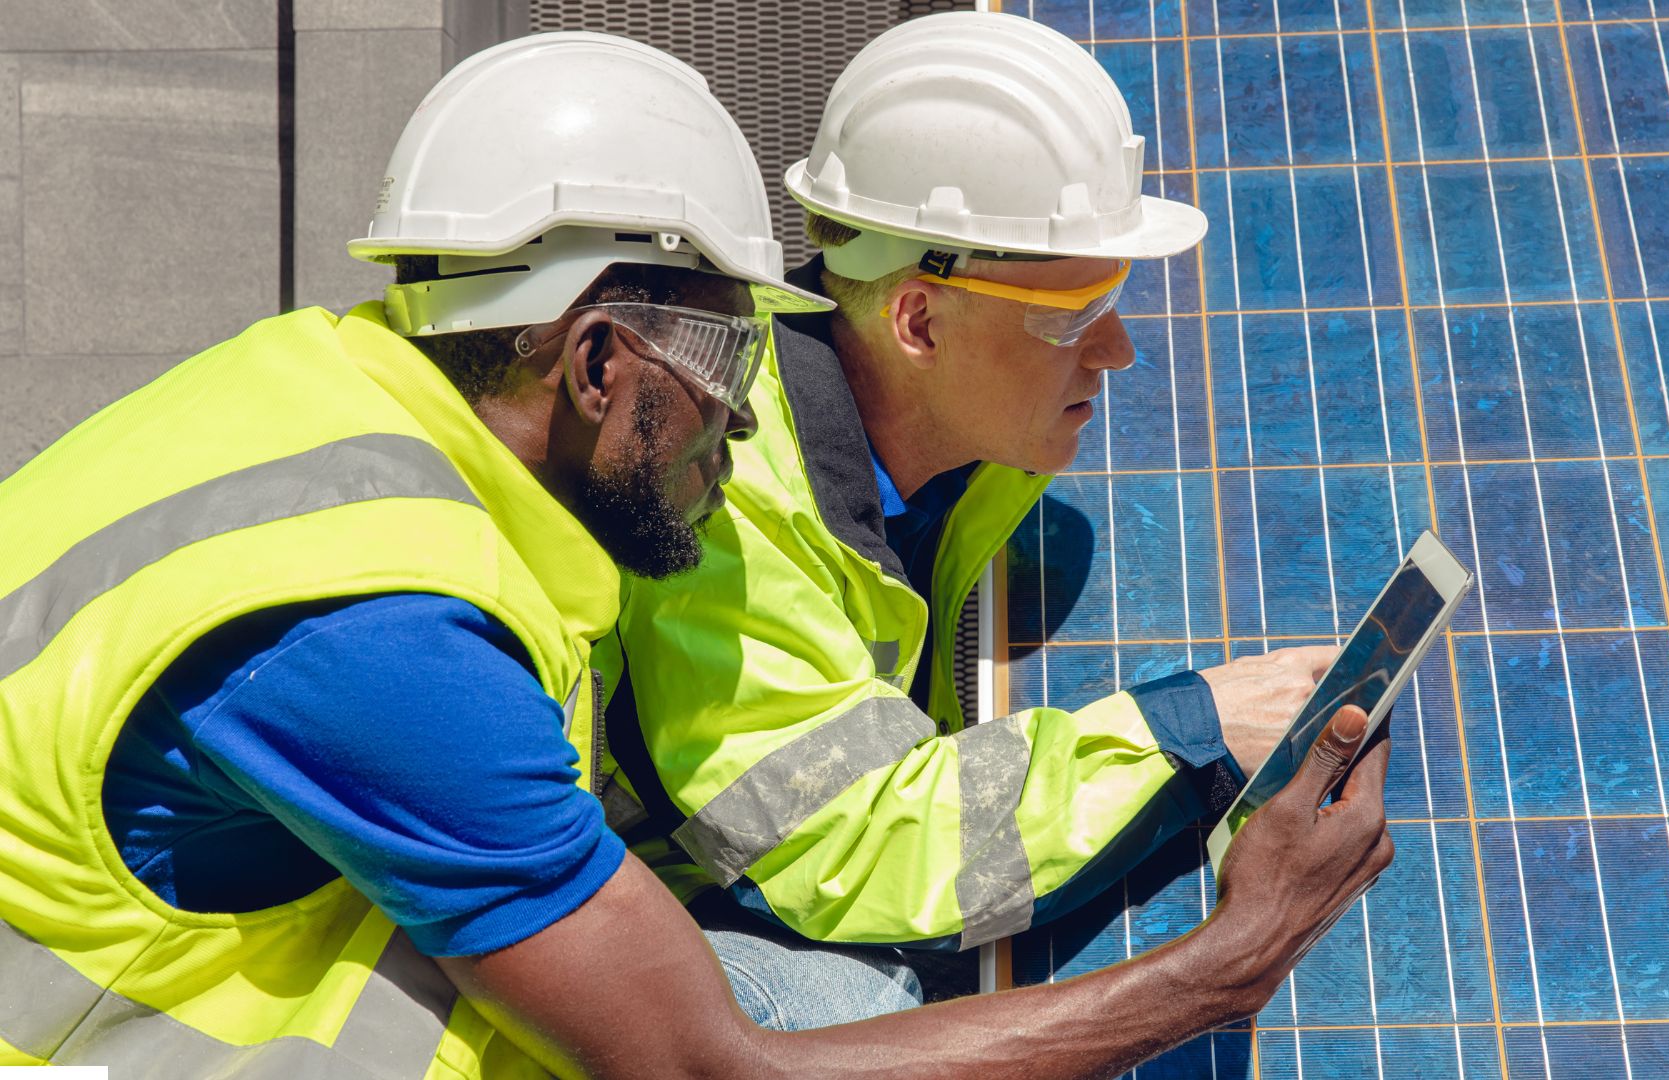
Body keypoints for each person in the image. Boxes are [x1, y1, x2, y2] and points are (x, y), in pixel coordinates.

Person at [0, 30, 1393, 1078]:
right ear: (600, 360)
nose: (750, 403)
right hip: (94, 1041)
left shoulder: (333, 391)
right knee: (834, 1016)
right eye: (732, 351)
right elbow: (707, 1066)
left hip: (214, 919)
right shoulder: (378, 641)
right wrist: (1228, 964)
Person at [606, 9, 1352, 1024]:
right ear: (917, 319)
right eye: (1074, 313)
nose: (1119, 350)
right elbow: (842, 852)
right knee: (862, 1011)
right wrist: (1183, 730)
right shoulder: (723, 510)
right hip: (657, 926)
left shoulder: (953, 437)